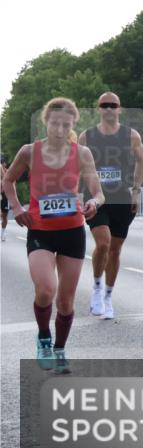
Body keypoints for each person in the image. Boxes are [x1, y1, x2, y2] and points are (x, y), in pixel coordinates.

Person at [1, 98, 104, 373]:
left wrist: (95, 202)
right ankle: (44, 337)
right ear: (46, 122)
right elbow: (7, 180)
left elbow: (98, 190)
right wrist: (17, 207)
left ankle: (59, 349)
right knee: (46, 290)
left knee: (66, 301)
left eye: (66, 124)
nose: (59, 128)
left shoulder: (81, 153)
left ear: (72, 125)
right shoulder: (29, 152)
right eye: (55, 123)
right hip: (40, 232)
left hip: (72, 231)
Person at [78, 92, 143, 319]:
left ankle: (108, 296)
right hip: (95, 198)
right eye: (104, 105)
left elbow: (141, 160)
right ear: (98, 109)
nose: (108, 109)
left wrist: (136, 190)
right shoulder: (86, 137)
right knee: (104, 243)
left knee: (115, 250)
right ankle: (97, 287)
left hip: (121, 198)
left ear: (119, 109)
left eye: (113, 105)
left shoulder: (131, 136)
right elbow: (76, 165)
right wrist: (77, 192)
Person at [1, 156, 9, 242]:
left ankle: (3, 232)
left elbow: (12, 183)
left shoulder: (8, 172)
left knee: (4, 215)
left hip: (4, 196)